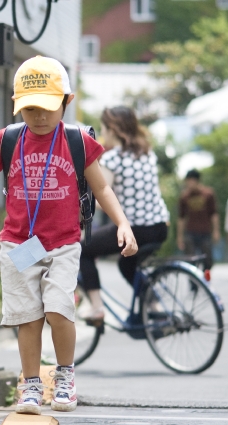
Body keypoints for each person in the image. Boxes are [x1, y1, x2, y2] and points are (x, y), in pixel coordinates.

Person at [0, 56, 137, 415]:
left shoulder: (77, 141)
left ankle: (65, 376)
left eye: (48, 108)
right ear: (17, 106)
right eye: (30, 108)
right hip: (19, 245)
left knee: (58, 310)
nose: (39, 116)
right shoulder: (7, 140)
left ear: (67, 102)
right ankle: (31, 385)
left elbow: (101, 188)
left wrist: (122, 223)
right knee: (28, 317)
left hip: (64, 244)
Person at [79, 107, 170, 320]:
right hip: (160, 227)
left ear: (113, 129)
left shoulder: (113, 160)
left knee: (84, 250)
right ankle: (154, 307)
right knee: (127, 264)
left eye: (103, 127)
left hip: (137, 229)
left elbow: (103, 198)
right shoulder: (147, 153)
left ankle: (96, 307)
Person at [177, 169, 219, 275]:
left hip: (205, 231)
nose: (189, 183)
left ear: (196, 180)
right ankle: (194, 281)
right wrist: (180, 237)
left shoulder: (208, 194)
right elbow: (181, 218)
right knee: (190, 259)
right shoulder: (184, 197)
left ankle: (205, 277)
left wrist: (216, 231)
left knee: (208, 260)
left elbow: (214, 214)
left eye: (191, 180)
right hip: (190, 232)